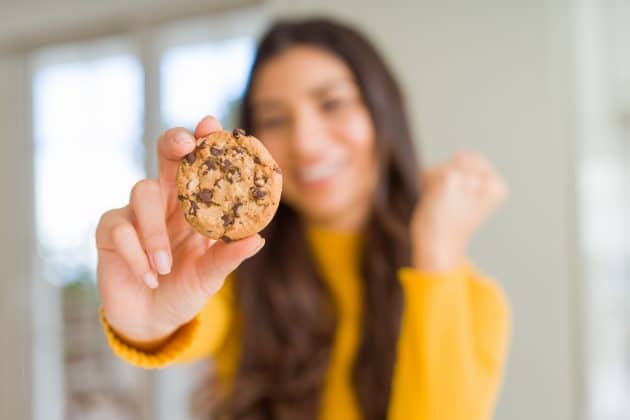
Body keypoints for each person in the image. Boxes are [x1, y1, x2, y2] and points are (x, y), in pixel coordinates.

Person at [96, 18, 510, 420]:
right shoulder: (233, 276)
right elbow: (179, 316)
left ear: (383, 112)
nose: (306, 144)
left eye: (332, 103)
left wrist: (436, 253)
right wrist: (149, 320)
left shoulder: (469, 302)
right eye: (275, 119)